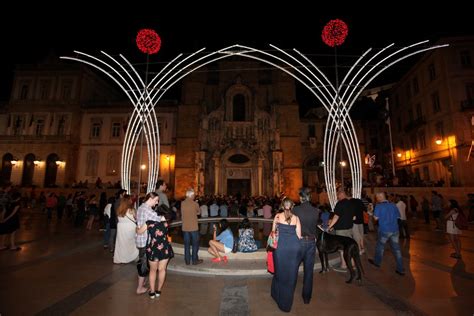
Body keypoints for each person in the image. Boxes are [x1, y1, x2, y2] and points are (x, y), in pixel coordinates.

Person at [271, 198, 302, 312]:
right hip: (294, 248)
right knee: (291, 275)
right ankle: (287, 303)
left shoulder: (278, 216)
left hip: (281, 248)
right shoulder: (296, 218)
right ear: (292, 206)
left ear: (282, 206)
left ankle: (278, 297)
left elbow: (273, 233)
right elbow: (299, 235)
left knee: (280, 272)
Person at [137, 206, 174, 299]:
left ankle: (152, 292)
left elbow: (139, 232)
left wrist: (136, 228)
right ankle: (158, 291)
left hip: (153, 249)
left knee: (153, 270)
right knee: (162, 270)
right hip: (164, 248)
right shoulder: (167, 223)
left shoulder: (149, 223)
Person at [292, 187, 319, 304]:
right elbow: (314, 228)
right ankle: (307, 298)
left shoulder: (296, 210)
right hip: (311, 242)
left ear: (301, 197)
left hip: (298, 242)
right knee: (309, 271)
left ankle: (289, 293)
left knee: (293, 269)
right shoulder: (315, 211)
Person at [135, 192, 165, 295]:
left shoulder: (141, 207)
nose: (156, 203)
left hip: (141, 238)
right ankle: (139, 288)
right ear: (151, 199)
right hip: (145, 240)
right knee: (143, 265)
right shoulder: (147, 210)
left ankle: (142, 285)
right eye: (156, 200)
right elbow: (161, 219)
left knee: (144, 263)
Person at [368, 192, 405, 276]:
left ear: (380, 197)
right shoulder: (393, 205)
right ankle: (400, 269)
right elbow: (398, 217)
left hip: (384, 230)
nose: (376, 199)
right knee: (397, 249)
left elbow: (376, 218)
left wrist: (371, 212)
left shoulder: (379, 206)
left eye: (377, 197)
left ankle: (377, 262)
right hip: (395, 230)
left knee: (380, 247)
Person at [327, 190, 354, 272]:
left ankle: (343, 265)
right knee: (349, 247)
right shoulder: (350, 203)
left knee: (342, 248)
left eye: (337, 196)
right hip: (349, 228)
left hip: (341, 230)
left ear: (339, 195)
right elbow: (353, 217)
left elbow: (336, 217)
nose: (337, 197)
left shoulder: (340, 203)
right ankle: (352, 264)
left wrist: (329, 226)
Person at [114, 195, 139, 264]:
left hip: (121, 228)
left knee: (120, 243)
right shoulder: (131, 210)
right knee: (131, 243)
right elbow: (136, 218)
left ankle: (120, 258)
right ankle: (131, 256)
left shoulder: (119, 210)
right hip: (130, 228)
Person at [181, 188, 203, 265]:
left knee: (186, 245)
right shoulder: (195, 204)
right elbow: (199, 213)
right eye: (194, 195)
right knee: (195, 244)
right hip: (194, 228)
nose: (194, 196)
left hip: (185, 228)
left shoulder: (182, 203)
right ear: (191, 195)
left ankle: (187, 261)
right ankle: (194, 260)